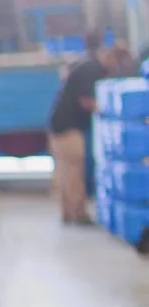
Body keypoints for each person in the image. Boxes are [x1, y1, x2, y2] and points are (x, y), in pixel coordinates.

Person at [46, 42, 130, 224]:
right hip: (67, 126)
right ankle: (78, 213)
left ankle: (68, 212)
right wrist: (107, 112)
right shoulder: (93, 71)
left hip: (58, 124)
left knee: (65, 170)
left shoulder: (87, 66)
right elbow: (86, 100)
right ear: (112, 59)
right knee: (75, 169)